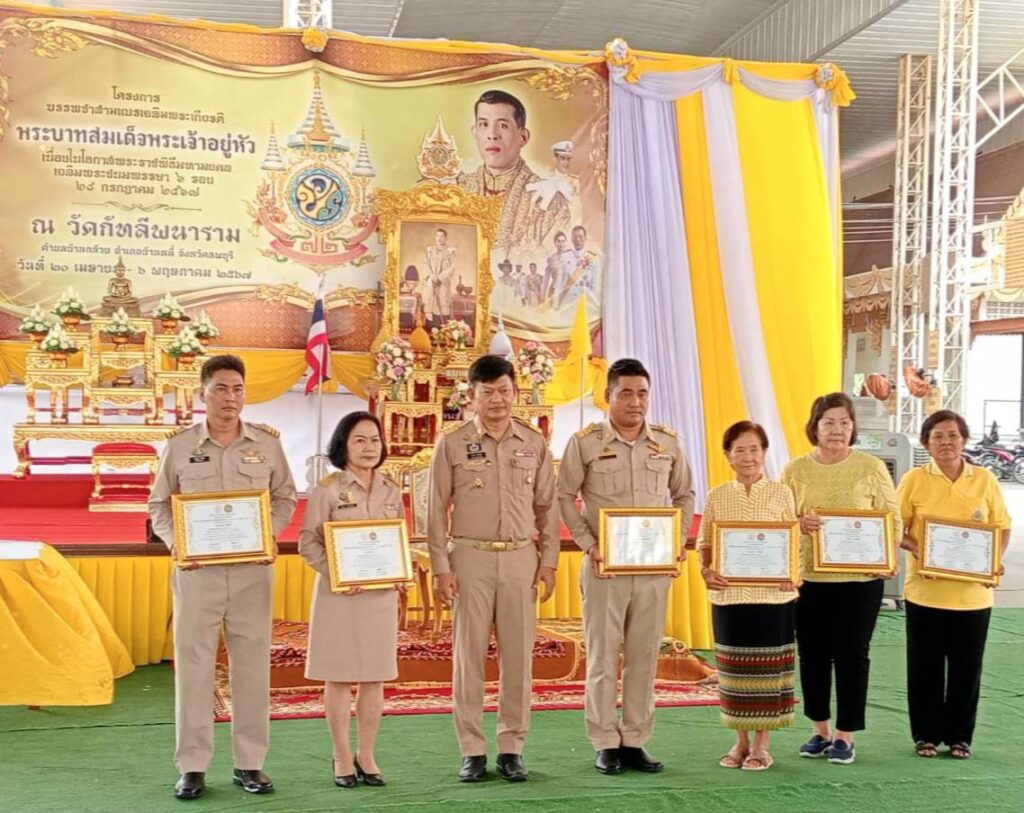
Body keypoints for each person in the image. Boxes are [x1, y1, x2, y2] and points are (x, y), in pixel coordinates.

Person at [148, 354, 297, 800]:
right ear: (203, 393)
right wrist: (177, 544)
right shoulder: (179, 446)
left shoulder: (267, 444)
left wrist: (268, 533)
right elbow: (159, 504)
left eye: (237, 389)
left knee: (252, 666)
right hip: (198, 573)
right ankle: (192, 765)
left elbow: (285, 497)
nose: (230, 397)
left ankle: (250, 763)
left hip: (252, 573)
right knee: (194, 666)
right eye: (221, 389)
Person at [557, 358, 695, 775]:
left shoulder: (667, 443)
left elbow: (684, 494)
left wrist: (675, 541)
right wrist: (588, 543)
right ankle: (605, 741)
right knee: (602, 656)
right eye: (626, 393)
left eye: (642, 394)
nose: (636, 402)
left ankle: (634, 739)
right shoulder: (585, 443)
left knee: (644, 656)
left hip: (652, 570)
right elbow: (564, 495)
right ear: (608, 396)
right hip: (606, 569)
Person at [427, 354, 560, 783]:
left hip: (521, 558)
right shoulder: (452, 443)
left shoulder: (533, 442)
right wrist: (441, 567)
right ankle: (472, 750)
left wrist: (549, 561)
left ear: (515, 392)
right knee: (468, 658)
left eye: (504, 391)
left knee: (518, 658)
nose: (497, 399)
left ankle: (511, 748)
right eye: (488, 392)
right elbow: (435, 509)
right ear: (472, 395)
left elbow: (547, 507)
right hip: (470, 557)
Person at [781, 392, 900, 765]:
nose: (837, 429)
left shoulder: (871, 467)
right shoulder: (795, 470)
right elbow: (780, 519)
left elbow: (892, 517)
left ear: (853, 427)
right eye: (829, 422)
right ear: (814, 427)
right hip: (809, 579)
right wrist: (799, 523)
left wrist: (887, 556)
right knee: (812, 655)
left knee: (853, 654)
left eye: (844, 422)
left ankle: (845, 735)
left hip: (861, 580)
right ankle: (820, 730)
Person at [298, 412, 406, 788]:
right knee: (340, 677)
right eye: (359, 440)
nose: (369, 447)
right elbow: (307, 542)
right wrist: (337, 572)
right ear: (343, 445)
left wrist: (399, 570)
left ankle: (367, 754)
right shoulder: (327, 490)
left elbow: (397, 538)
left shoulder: (391, 490)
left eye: (375, 440)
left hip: (380, 596)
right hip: (339, 596)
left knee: (375, 677)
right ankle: (342, 755)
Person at [897, 410, 1011, 759]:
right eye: (938, 436)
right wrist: (919, 550)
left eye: (953, 435)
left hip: (973, 597)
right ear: (926, 443)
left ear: (964, 439)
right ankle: (926, 735)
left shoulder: (984, 479)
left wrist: (991, 561)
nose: (946, 442)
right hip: (925, 592)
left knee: (967, 669)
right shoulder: (914, 479)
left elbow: (1002, 527)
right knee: (925, 667)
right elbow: (895, 527)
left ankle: (961, 737)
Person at [698, 421, 799, 772]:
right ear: (727, 455)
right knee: (734, 672)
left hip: (774, 598)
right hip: (729, 597)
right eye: (739, 449)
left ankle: (762, 746)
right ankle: (740, 742)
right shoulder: (716, 495)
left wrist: (792, 576)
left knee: (768, 674)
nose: (748, 457)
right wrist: (707, 571)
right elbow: (705, 543)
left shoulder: (782, 493)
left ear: (764, 453)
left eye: (754, 449)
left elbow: (793, 542)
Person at [457, 89, 569, 250]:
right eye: (484, 124)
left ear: (523, 137)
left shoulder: (548, 201)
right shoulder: (457, 190)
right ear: (475, 133)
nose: (492, 135)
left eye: (503, 125)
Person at [556, 225, 601, 309]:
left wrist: (592, 306)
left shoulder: (593, 258)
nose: (578, 239)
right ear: (572, 239)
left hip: (585, 304)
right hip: (567, 304)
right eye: (575, 237)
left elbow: (595, 285)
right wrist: (556, 303)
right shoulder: (565, 257)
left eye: (580, 236)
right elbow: (559, 282)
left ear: (585, 238)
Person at [423, 228, 457, 326]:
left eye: (442, 236)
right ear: (435, 237)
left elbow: (452, 267)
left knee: (442, 303)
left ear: (445, 238)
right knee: (430, 301)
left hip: (443, 283)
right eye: (437, 235)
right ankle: (431, 328)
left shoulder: (450, 251)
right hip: (432, 281)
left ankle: (442, 330)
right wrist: (431, 276)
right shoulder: (430, 250)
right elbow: (425, 264)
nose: (439, 238)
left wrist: (440, 277)